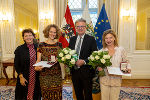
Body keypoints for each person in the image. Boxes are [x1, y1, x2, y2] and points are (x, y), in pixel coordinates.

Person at [69, 18, 97, 100]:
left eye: (82, 26)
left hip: (87, 72)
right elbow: (69, 53)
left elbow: (94, 55)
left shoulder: (91, 39)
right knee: (78, 94)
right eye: (78, 26)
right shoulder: (72, 39)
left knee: (88, 95)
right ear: (75, 27)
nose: (80, 28)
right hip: (74, 71)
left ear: (85, 28)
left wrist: (84, 61)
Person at [99, 29, 131, 100]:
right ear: (104, 40)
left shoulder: (121, 50)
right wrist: (99, 68)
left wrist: (128, 68)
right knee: (104, 98)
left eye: (110, 37)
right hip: (105, 79)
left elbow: (126, 61)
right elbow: (98, 65)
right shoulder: (101, 51)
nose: (108, 40)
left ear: (114, 38)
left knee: (114, 98)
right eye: (106, 38)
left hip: (116, 79)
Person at [35, 24, 62, 100]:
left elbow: (62, 58)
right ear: (47, 32)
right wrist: (37, 67)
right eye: (51, 32)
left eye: (54, 32)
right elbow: (38, 60)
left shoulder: (59, 45)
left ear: (57, 34)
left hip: (57, 74)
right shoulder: (41, 45)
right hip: (44, 74)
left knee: (57, 92)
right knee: (46, 94)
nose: (53, 34)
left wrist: (59, 59)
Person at [14, 28, 41, 100]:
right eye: (26, 36)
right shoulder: (19, 49)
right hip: (24, 76)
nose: (28, 37)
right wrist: (21, 77)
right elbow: (16, 65)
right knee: (23, 94)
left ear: (33, 36)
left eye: (30, 35)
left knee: (35, 94)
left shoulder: (38, 48)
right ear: (23, 38)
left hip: (36, 75)